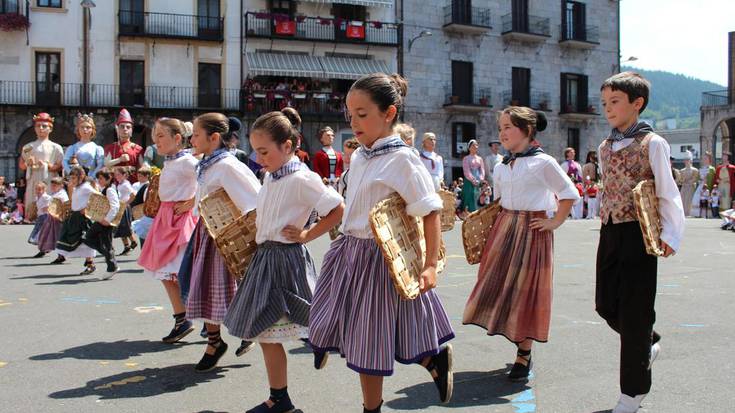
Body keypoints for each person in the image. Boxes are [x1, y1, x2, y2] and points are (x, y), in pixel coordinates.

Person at [309, 73, 454, 413]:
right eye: (349, 114)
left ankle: (374, 405)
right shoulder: (359, 155)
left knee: (368, 344)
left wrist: (430, 265)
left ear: (388, 113)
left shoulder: (404, 159)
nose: (353, 122)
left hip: (380, 258)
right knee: (323, 313)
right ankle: (432, 359)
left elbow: (430, 212)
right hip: (348, 250)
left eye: (362, 114)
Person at [223, 108, 345, 413]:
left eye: (265, 151)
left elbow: (337, 208)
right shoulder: (271, 175)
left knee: (272, 327)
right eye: (257, 151)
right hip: (265, 258)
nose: (260, 158)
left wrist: (306, 234)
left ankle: (285, 393)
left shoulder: (303, 177)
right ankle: (281, 397)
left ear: (287, 146)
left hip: (285, 260)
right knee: (266, 332)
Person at [463, 107, 578, 382]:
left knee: (528, 291)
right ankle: (515, 335)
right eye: (500, 127)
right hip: (505, 227)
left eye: (508, 127)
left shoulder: (544, 162)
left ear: (527, 131)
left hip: (532, 229)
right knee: (501, 286)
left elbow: (569, 193)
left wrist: (554, 222)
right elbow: (499, 202)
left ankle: (524, 352)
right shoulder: (502, 165)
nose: (502, 132)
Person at [595, 72, 685, 413]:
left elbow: (666, 190)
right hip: (609, 230)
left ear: (637, 104)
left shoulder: (653, 143)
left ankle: (632, 393)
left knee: (635, 312)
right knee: (605, 304)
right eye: (605, 103)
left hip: (639, 234)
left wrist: (671, 234)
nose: (608, 109)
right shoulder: (605, 145)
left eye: (615, 102)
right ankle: (646, 342)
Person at [185, 113, 261, 372]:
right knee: (205, 288)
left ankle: (247, 330)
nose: (192, 138)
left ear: (214, 138)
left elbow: (254, 199)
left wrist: (239, 231)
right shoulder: (207, 164)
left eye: (196, 134)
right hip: (206, 232)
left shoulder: (228, 165)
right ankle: (215, 342)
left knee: (229, 290)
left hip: (227, 237)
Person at [138, 118, 199, 344]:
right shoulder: (170, 162)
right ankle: (182, 318)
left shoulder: (186, 161)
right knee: (166, 273)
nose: (156, 140)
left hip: (181, 221)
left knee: (185, 274)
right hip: (166, 219)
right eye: (155, 135)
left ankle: (208, 318)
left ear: (177, 138)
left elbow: (207, 179)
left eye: (161, 135)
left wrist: (193, 201)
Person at [19, 113, 64, 221]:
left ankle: (49, 217)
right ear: (34, 128)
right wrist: (28, 163)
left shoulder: (56, 147)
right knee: (32, 197)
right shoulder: (28, 147)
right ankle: (31, 216)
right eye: (38, 126)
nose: (41, 128)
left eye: (44, 126)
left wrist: (49, 166)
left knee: (48, 198)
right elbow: (21, 165)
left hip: (49, 177)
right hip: (33, 177)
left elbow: (61, 165)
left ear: (50, 128)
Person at [54, 166, 98, 274]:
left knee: (85, 241)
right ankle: (86, 262)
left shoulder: (86, 187)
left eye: (74, 178)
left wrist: (87, 208)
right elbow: (73, 201)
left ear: (81, 177)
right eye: (71, 178)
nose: (72, 180)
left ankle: (90, 263)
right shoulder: (77, 188)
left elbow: (98, 197)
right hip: (74, 217)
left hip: (83, 218)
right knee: (71, 239)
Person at [83, 169, 120, 280]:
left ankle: (112, 266)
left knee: (102, 242)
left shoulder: (109, 190)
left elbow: (115, 205)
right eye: (98, 178)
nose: (99, 180)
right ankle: (110, 260)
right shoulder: (105, 189)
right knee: (90, 238)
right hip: (101, 220)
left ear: (108, 179)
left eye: (101, 178)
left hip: (106, 222)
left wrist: (108, 219)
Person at [105, 108, 143, 182]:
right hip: (115, 182)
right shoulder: (111, 147)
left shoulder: (138, 148)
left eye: (128, 127)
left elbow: (142, 168)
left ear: (131, 130)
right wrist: (119, 160)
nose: (125, 129)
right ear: (117, 129)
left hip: (132, 182)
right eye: (122, 126)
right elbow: (107, 164)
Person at [37, 177, 69, 263]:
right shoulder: (56, 193)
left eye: (55, 185)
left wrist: (53, 210)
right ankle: (45, 250)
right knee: (49, 235)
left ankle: (61, 255)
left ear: (61, 186)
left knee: (58, 237)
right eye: (52, 185)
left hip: (58, 218)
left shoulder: (62, 194)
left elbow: (64, 205)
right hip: (52, 217)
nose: (53, 187)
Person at [63, 113, 105, 177]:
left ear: (92, 129)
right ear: (78, 129)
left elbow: (100, 164)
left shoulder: (97, 148)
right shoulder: (72, 148)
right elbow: (64, 162)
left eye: (88, 127)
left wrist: (93, 176)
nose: (85, 129)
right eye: (82, 127)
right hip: (76, 179)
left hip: (92, 179)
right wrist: (72, 174)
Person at [462, 139, 485, 213]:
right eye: (473, 145)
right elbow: (467, 171)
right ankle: (468, 211)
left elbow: (482, 169)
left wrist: (481, 178)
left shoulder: (480, 159)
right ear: (469, 148)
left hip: (478, 179)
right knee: (470, 195)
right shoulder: (466, 158)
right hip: (469, 181)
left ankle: (477, 211)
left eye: (476, 145)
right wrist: (473, 179)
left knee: (478, 195)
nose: (475, 146)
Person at [28, 182, 52, 250]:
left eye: (39, 189)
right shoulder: (37, 197)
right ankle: (36, 241)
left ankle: (39, 242)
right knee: (37, 229)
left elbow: (51, 203)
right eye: (36, 189)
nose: (37, 191)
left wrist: (47, 207)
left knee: (40, 230)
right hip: (40, 216)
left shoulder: (46, 197)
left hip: (45, 216)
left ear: (44, 190)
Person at [692, 151, 715, 217]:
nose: (704, 160)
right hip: (701, 185)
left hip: (707, 186)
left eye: (706, 158)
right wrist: (700, 181)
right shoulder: (701, 168)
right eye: (704, 158)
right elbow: (698, 179)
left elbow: (712, 179)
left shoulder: (711, 169)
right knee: (697, 197)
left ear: (709, 159)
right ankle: (697, 213)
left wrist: (707, 182)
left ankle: (706, 214)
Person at [678, 151, 700, 217]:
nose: (686, 161)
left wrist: (690, 181)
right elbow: (681, 180)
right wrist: (683, 180)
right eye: (685, 160)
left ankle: (689, 213)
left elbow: (695, 178)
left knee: (689, 200)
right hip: (684, 187)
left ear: (690, 161)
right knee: (683, 199)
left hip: (690, 187)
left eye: (688, 160)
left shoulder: (695, 170)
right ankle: (683, 213)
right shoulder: (682, 170)